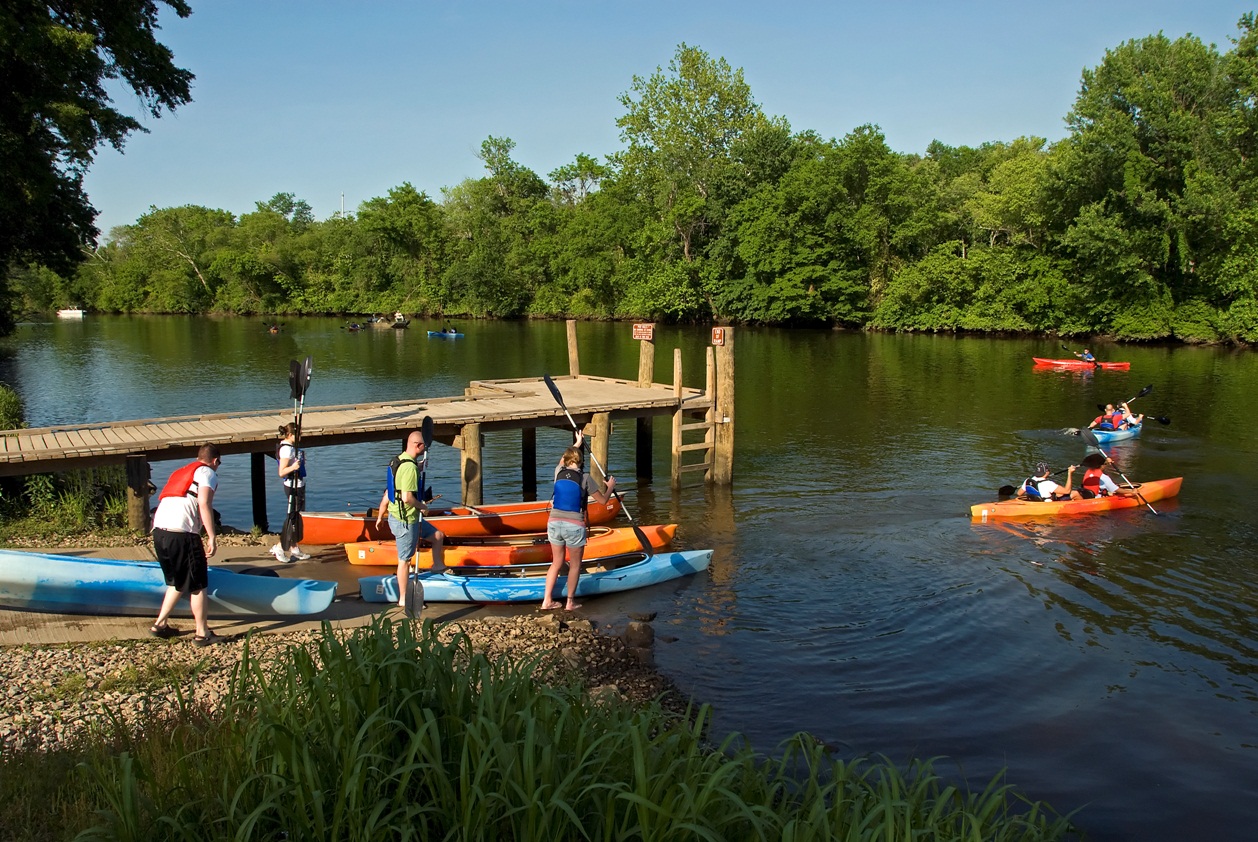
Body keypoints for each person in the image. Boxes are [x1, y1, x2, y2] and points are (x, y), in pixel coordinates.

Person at [149, 443, 223, 646]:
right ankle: (202, 633)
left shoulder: (181, 472)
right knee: (198, 584)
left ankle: (160, 624)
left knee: (177, 581)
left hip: (159, 531)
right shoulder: (208, 472)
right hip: (182, 534)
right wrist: (212, 536)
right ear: (215, 461)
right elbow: (204, 503)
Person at [540, 432, 616, 612]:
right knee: (575, 565)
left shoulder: (558, 471)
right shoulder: (585, 478)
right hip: (574, 525)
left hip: (553, 522)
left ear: (566, 460)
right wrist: (610, 487)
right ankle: (570, 602)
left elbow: (562, 459)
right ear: (581, 462)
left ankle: (547, 601)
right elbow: (603, 501)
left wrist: (577, 443)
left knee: (556, 562)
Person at [375, 429, 446, 610]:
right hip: (405, 521)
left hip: (404, 517)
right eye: (424, 446)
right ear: (418, 446)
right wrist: (424, 506)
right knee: (405, 560)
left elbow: (388, 493)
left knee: (437, 535)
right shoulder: (409, 468)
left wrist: (380, 515)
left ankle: (437, 566)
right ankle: (404, 598)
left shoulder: (398, 461)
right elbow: (407, 497)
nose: (425, 449)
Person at [271, 422, 310, 562]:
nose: (301, 436)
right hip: (293, 486)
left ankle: (294, 548)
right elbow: (281, 472)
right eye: (299, 434)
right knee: (292, 518)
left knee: (297, 517)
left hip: (299, 484)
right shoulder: (286, 449)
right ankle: (280, 547)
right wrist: (293, 467)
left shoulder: (292, 448)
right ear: (291, 434)